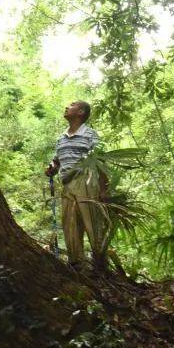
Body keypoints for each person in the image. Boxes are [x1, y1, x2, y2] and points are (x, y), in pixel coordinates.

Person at [45, 100, 108, 270]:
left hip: (86, 181)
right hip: (67, 184)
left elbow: (100, 160)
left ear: (81, 112)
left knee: (92, 223)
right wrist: (52, 168)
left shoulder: (90, 134)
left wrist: (104, 189)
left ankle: (100, 265)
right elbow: (57, 160)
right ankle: (77, 265)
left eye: (72, 105)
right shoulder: (61, 138)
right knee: (70, 225)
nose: (66, 107)